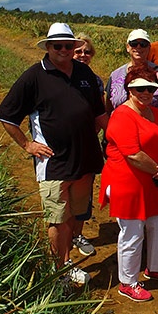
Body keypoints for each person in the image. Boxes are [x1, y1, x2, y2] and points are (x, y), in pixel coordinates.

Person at [0, 22, 107, 286]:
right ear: (48, 47)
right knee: (57, 218)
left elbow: (99, 114)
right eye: (58, 46)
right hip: (54, 162)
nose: (64, 50)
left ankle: (65, 263)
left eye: (69, 46)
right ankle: (59, 271)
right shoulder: (34, 76)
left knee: (72, 215)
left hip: (84, 159)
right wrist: (27, 145)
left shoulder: (84, 74)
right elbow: (6, 115)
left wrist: (121, 141)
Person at [99, 67, 158, 302]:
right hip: (128, 180)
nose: (145, 92)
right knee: (133, 232)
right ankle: (128, 281)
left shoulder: (156, 112)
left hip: (155, 178)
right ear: (129, 89)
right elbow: (132, 154)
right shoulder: (121, 115)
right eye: (139, 88)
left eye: (150, 88)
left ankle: (154, 267)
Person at [71, 33, 103, 257]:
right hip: (62, 147)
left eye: (87, 51)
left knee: (84, 192)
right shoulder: (58, 74)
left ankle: (77, 234)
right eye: (78, 51)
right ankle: (64, 233)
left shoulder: (96, 80)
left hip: (87, 144)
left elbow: (99, 114)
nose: (83, 55)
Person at [105, 29, 158, 130]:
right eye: (134, 43)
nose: (138, 47)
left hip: (152, 133)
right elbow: (108, 108)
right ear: (128, 47)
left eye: (143, 44)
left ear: (149, 48)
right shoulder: (115, 75)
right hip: (120, 131)